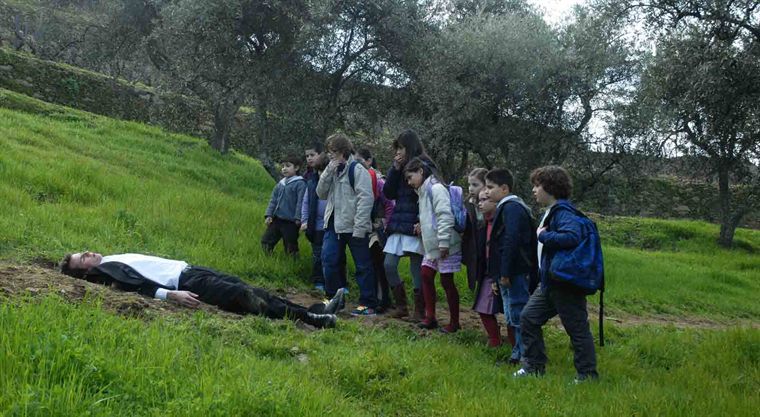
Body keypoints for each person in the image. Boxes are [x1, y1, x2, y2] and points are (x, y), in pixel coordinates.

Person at [59, 251, 344, 328]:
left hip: (190, 270)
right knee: (246, 297)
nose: (88, 253)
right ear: (85, 272)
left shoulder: (109, 259)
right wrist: (171, 295)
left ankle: (315, 311)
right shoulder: (107, 271)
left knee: (249, 289)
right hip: (185, 283)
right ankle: (314, 319)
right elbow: (134, 286)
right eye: (82, 259)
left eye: (84, 252)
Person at [515, 165, 599, 382]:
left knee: (577, 329)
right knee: (528, 318)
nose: (534, 190)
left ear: (550, 187)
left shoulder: (563, 212)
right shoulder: (553, 211)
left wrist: (543, 236)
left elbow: (572, 236)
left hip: (564, 283)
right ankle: (533, 368)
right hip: (551, 282)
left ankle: (587, 376)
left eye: (537, 185)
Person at [317, 133, 378, 316]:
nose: (330, 155)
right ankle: (333, 299)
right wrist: (328, 172)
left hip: (354, 226)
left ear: (343, 152)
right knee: (328, 259)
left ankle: (368, 303)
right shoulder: (332, 169)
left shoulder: (357, 170)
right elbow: (320, 193)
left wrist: (360, 227)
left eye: (333, 151)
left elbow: (366, 199)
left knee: (362, 265)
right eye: (329, 152)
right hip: (333, 224)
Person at [484, 168, 537, 365]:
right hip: (507, 271)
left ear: (504, 188)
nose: (487, 192)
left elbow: (511, 240)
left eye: (491, 187)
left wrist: (505, 272)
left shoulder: (512, 208)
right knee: (511, 312)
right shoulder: (506, 207)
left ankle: (525, 355)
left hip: (515, 271)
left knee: (518, 311)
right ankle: (517, 353)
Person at [404, 157, 462, 332]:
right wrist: (421, 225)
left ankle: (454, 322)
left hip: (446, 245)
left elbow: (444, 215)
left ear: (421, 171)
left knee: (446, 281)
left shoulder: (436, 188)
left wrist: (444, 242)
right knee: (426, 274)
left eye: (410, 177)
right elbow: (431, 217)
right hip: (432, 246)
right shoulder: (423, 191)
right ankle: (430, 317)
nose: (409, 182)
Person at [381, 130, 433, 320]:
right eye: (397, 148)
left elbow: (430, 195)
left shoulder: (425, 166)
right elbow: (389, 193)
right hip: (398, 221)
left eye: (401, 148)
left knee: (416, 267)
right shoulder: (399, 167)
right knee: (389, 264)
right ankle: (401, 306)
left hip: (416, 222)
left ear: (410, 147)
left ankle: (420, 310)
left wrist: (422, 220)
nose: (398, 152)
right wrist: (395, 169)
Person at [301, 143, 347, 292]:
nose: (322, 174)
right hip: (316, 226)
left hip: (333, 224)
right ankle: (319, 281)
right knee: (317, 255)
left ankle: (341, 284)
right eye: (319, 171)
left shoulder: (337, 181)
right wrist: (305, 220)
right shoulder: (311, 182)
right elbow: (306, 202)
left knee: (337, 256)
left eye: (325, 170)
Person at [356, 148, 395, 313]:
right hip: (367, 227)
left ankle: (383, 299)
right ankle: (379, 298)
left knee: (379, 264)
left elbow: (390, 204)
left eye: (359, 161)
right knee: (371, 263)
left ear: (369, 161)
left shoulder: (378, 181)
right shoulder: (360, 179)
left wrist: (385, 226)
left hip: (378, 230)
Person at [471, 189, 504, 347]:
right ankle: (494, 339)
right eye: (479, 200)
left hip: (501, 271)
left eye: (485, 200)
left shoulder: (502, 222)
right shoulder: (483, 223)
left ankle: (515, 345)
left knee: (511, 311)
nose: (480, 203)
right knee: (483, 306)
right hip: (486, 272)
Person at [262, 155, 307, 256]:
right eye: (282, 166)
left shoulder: (300, 184)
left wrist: (298, 218)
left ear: (296, 168)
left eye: (287, 166)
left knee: (290, 246)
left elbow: (301, 202)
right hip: (277, 219)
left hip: (291, 222)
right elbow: (273, 200)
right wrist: (269, 215)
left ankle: (293, 262)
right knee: (266, 241)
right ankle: (269, 258)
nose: (284, 169)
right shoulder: (280, 184)